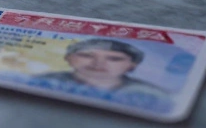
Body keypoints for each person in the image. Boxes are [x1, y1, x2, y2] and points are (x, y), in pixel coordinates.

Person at [38, 38, 172, 102]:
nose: (98, 64)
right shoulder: (43, 81)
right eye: (87, 55)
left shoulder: (153, 95)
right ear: (68, 58)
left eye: (114, 59)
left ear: (132, 65)